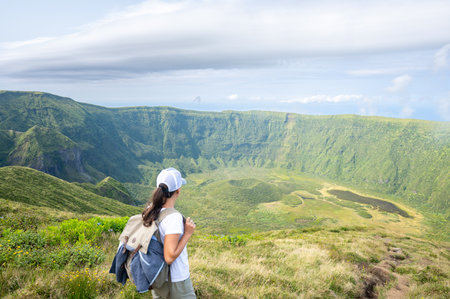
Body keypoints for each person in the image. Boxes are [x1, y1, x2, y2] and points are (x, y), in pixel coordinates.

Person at [142, 168, 196, 299]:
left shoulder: (150, 210)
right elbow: (170, 257)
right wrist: (188, 233)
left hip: (158, 277)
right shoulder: (173, 217)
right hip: (176, 280)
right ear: (178, 191)